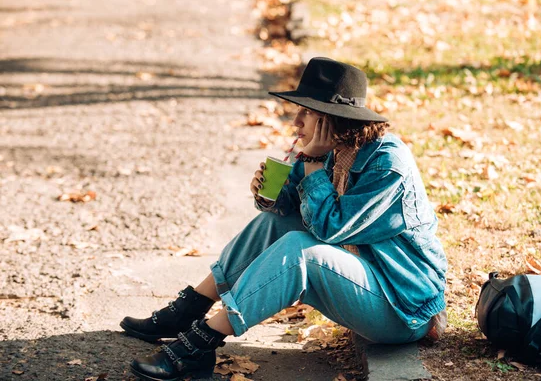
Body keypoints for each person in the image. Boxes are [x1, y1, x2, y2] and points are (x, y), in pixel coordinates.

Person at [122, 57, 448, 381]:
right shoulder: (334, 148)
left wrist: (313, 162)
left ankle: (199, 344)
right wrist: (269, 195)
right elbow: (291, 209)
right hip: (362, 282)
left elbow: (328, 227)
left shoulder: (387, 164)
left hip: (402, 309)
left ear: (330, 118)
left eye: (305, 112)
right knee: (276, 225)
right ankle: (190, 308)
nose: (296, 121)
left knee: (299, 249)